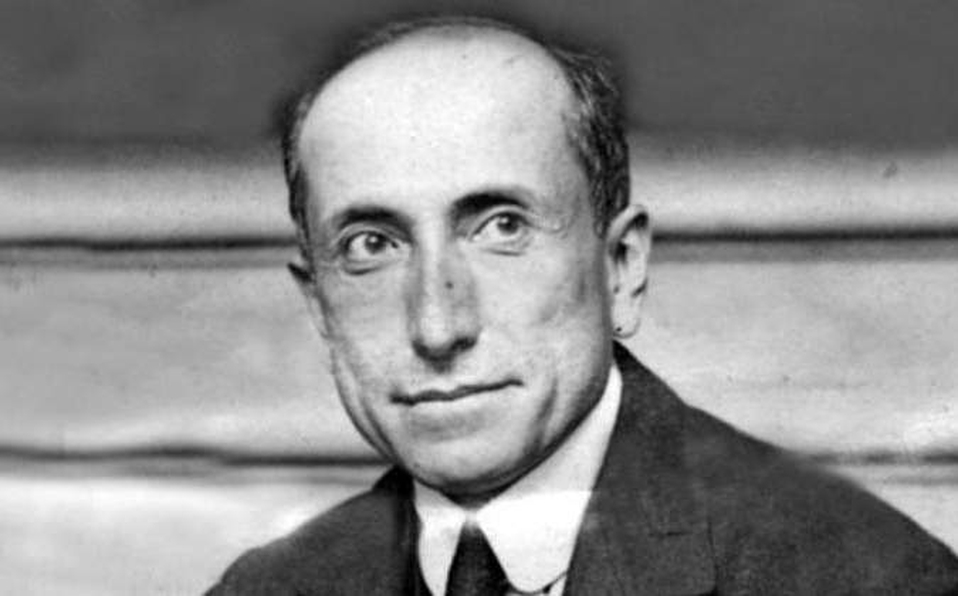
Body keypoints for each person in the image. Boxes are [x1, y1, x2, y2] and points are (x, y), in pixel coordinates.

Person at [207, 15, 958, 595]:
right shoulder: (265, 590)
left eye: (503, 228)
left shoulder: (861, 577)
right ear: (319, 307)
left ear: (621, 267)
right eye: (372, 245)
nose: (437, 326)